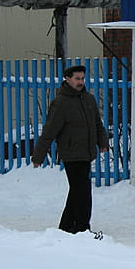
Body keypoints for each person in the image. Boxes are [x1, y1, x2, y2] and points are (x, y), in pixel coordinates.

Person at [32, 65, 109, 234]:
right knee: (83, 191)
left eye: (82, 78)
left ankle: (66, 226)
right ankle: (82, 227)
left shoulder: (88, 99)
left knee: (77, 191)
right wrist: (38, 156)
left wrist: (102, 142)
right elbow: (49, 131)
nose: (80, 82)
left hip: (86, 152)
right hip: (71, 153)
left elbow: (97, 123)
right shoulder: (61, 103)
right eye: (77, 79)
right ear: (67, 79)